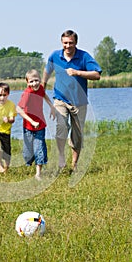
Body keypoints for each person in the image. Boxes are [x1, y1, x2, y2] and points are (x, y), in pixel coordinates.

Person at [42, 30, 102, 172]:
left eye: (70, 43)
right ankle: (61, 156)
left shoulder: (83, 56)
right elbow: (46, 74)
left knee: (77, 135)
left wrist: (78, 72)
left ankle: (74, 164)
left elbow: (97, 74)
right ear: (61, 42)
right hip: (60, 99)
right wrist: (40, 93)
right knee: (61, 127)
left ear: (76, 43)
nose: (67, 46)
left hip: (79, 102)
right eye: (65, 43)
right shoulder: (55, 56)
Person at [16, 69, 55, 181]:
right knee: (28, 152)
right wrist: (32, 121)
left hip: (40, 125)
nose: (35, 84)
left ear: (40, 80)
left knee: (39, 147)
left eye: (36, 80)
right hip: (28, 126)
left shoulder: (41, 88)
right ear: (27, 83)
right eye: (31, 82)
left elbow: (44, 95)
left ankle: (38, 173)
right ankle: (30, 160)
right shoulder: (27, 94)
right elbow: (18, 109)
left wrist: (51, 106)